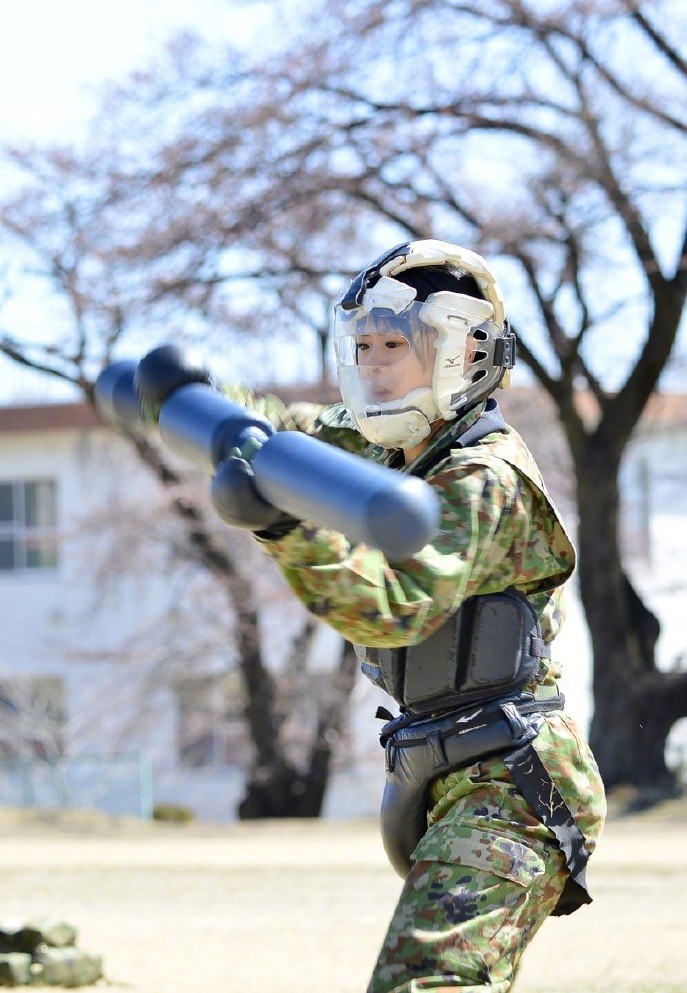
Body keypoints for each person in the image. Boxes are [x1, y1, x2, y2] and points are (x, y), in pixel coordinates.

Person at [216, 240, 607, 991]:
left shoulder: (484, 477)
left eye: (394, 345)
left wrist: (285, 530)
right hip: (438, 765)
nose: (374, 365)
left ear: (464, 352)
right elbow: (287, 428)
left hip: (509, 783)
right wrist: (195, 400)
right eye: (363, 346)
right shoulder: (395, 450)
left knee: (424, 981)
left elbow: (393, 608)